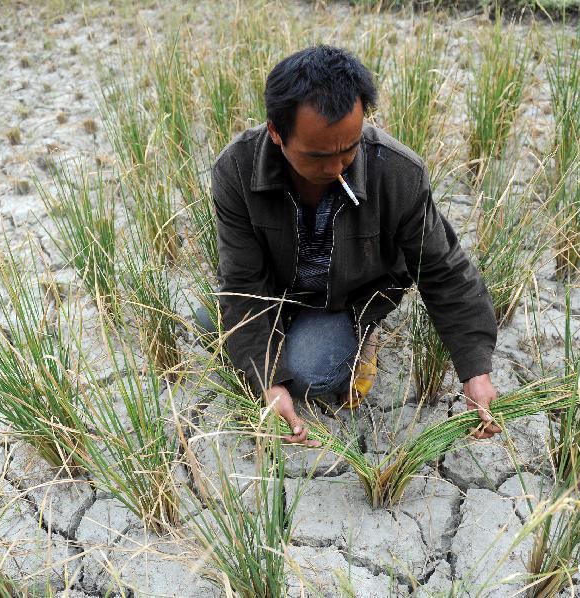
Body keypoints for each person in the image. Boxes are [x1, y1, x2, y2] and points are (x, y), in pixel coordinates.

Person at [210, 45, 500, 446]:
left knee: (311, 371)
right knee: (214, 325)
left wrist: (475, 370)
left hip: (348, 297)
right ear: (276, 133)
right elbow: (242, 282)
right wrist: (269, 384)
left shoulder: (398, 172)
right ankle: (284, 335)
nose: (334, 169)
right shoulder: (237, 169)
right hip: (279, 290)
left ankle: (362, 333)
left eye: (348, 149)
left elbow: (443, 270)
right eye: (316, 156)